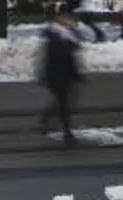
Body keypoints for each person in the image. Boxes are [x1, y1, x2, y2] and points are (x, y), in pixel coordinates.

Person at [37, 11, 87, 144]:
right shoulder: (55, 34)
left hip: (65, 74)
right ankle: (66, 133)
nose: (70, 20)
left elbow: (73, 51)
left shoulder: (65, 33)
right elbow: (63, 54)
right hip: (57, 74)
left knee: (61, 102)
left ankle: (46, 121)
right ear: (59, 18)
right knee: (64, 104)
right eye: (67, 18)